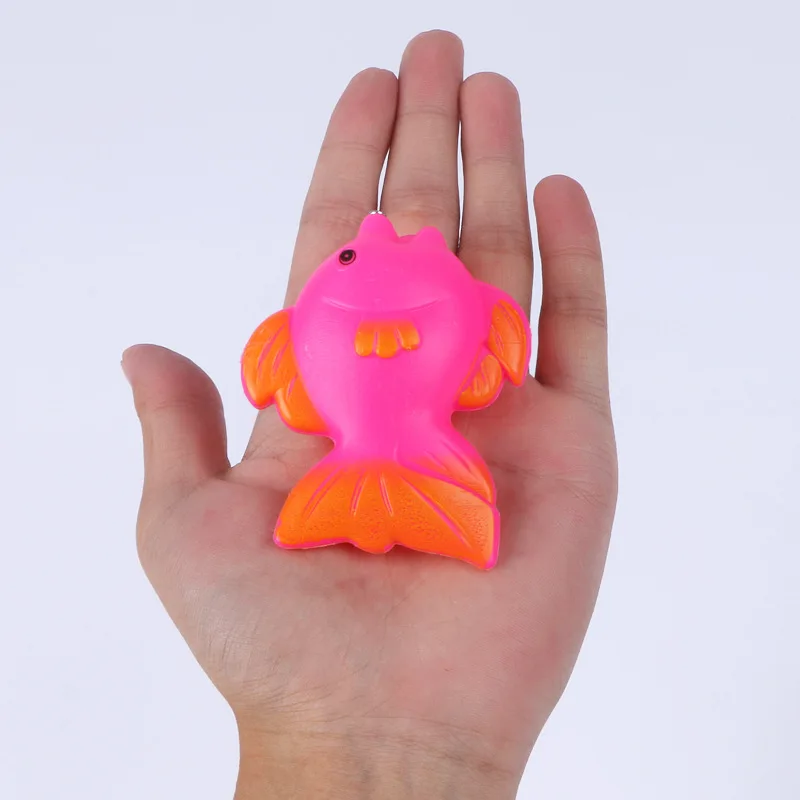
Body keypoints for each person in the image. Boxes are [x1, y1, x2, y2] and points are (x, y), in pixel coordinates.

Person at [122, 29, 618, 800]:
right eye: (352, 253)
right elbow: (281, 354)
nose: (370, 252)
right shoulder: (315, 320)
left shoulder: (459, 311)